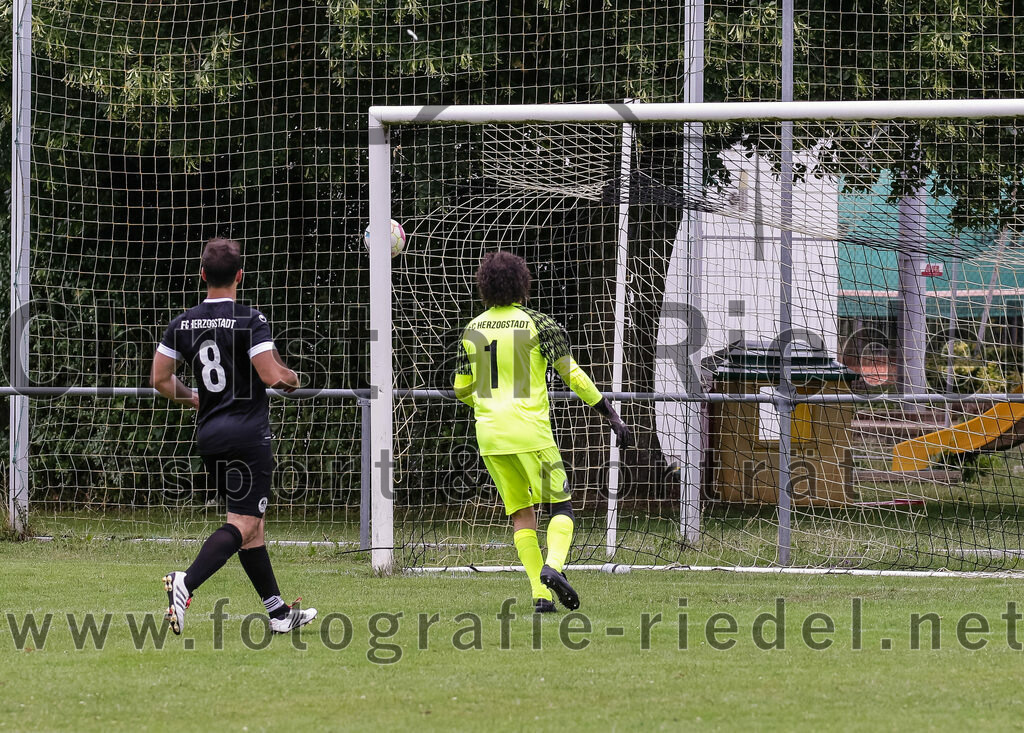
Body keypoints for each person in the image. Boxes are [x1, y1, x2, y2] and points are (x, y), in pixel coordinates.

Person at [150, 237, 317, 635]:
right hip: (247, 436)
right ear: (240, 275)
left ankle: (278, 613)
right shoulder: (250, 319)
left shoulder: (183, 322)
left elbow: (158, 378)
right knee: (244, 523)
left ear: (203, 274)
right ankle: (185, 582)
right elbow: (271, 375)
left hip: (210, 435)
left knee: (251, 525)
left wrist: (193, 397)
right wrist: (293, 376)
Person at [453, 251, 632, 612]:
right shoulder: (541, 324)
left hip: (489, 437)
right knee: (560, 506)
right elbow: (573, 375)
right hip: (531, 434)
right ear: (523, 283)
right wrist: (610, 413)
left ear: (484, 286)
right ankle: (554, 567)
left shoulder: (472, 330)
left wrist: (489, 406)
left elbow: (461, 389)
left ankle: (540, 595)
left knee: (522, 515)